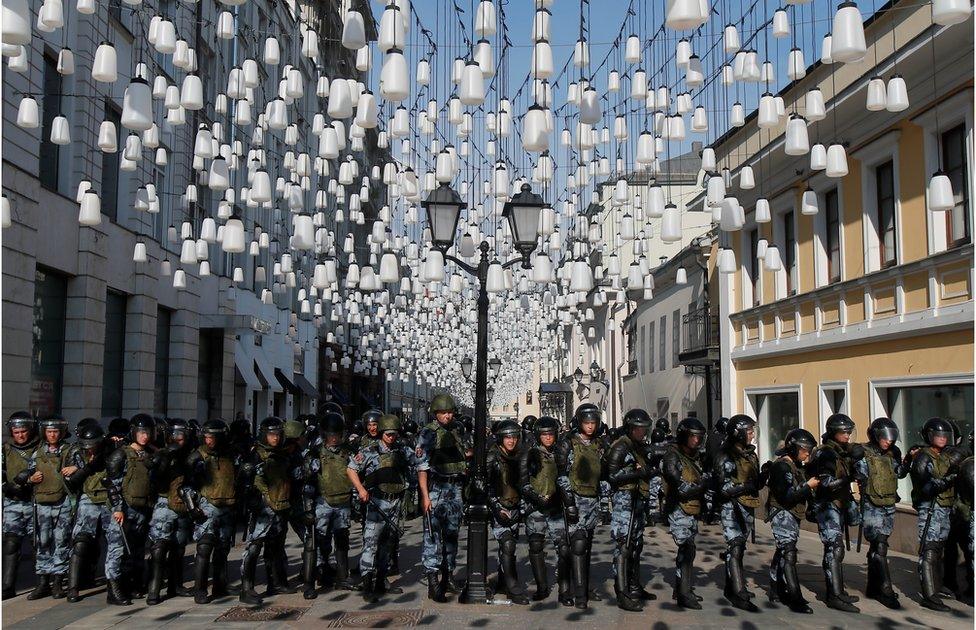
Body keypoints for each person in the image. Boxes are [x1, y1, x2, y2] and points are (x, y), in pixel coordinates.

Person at [347, 414, 422, 603]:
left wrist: (420, 451)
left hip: (396, 502)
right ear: (381, 434)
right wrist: (361, 490)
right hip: (376, 503)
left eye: (395, 434)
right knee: (371, 543)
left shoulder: (402, 450)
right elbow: (351, 469)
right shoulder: (370, 451)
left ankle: (381, 580)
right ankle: (367, 585)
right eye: (388, 434)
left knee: (388, 544)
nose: (392, 438)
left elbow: (418, 461)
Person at [238, 417, 302, 605]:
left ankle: (276, 582)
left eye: (278, 434)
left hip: (281, 507)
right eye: (272, 434)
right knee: (254, 548)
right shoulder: (257, 454)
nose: (275, 438)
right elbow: (250, 480)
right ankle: (247, 588)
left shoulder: (283, 454)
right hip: (262, 509)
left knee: (276, 547)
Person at [853, 417, 914, 609]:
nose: (889, 441)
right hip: (872, 505)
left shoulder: (892, 453)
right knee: (879, 546)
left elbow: (899, 473)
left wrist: (909, 459)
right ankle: (885, 589)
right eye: (885, 437)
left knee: (879, 547)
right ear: (876, 435)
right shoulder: (862, 453)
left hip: (888, 503)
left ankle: (873, 586)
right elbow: (854, 473)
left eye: (891, 438)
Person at [806, 413, 862, 612]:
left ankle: (838, 591)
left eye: (849, 431)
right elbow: (827, 483)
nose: (847, 435)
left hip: (838, 505)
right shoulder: (826, 453)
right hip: (826, 506)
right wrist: (850, 478)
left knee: (836, 550)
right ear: (833, 433)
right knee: (834, 549)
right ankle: (833, 595)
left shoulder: (840, 451)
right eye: (843, 432)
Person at [417, 394, 469, 601]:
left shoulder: (456, 431)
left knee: (452, 535)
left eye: (449, 412)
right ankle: (433, 581)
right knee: (432, 535)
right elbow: (422, 467)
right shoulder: (428, 433)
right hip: (436, 488)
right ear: (435, 413)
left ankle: (448, 577)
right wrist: (425, 496)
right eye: (443, 412)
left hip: (454, 488)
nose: (447, 416)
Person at [182, 419, 239, 604]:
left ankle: (220, 585)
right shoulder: (196, 457)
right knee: (204, 548)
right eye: (206, 437)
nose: (209, 441)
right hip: (207, 507)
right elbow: (185, 486)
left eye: (212, 438)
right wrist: (192, 508)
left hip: (227, 506)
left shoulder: (231, 455)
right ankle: (200, 589)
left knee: (222, 549)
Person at [605, 408, 656, 612]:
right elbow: (612, 476)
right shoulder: (621, 447)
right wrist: (636, 474)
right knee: (623, 548)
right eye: (639, 429)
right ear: (630, 428)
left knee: (636, 545)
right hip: (624, 503)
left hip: (638, 501)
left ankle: (634, 586)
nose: (642, 432)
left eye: (644, 428)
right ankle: (622, 591)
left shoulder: (638, 446)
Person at [555, 403, 605, 610]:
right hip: (575, 500)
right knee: (577, 546)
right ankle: (577, 593)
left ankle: (584, 587)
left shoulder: (599, 444)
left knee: (588, 546)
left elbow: (604, 472)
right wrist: (569, 503)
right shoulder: (568, 443)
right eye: (587, 423)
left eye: (593, 423)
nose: (590, 427)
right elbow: (562, 476)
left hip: (592, 500)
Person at [103, 413, 157, 605]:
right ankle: (114, 590)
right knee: (117, 550)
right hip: (124, 510)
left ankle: (132, 585)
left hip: (143, 509)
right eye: (141, 432)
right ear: (134, 432)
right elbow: (111, 484)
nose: (145, 436)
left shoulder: (150, 454)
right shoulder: (121, 454)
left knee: (136, 550)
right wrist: (117, 508)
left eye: (148, 432)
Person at [303, 411, 358, 598]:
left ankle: (342, 577)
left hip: (343, 502)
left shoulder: (347, 452)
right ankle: (310, 581)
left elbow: (355, 475)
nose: (334, 439)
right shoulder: (316, 453)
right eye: (330, 435)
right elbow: (308, 482)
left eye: (337, 435)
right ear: (324, 434)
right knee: (316, 542)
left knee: (342, 541)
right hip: (322, 503)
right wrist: (309, 509)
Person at [910, 417, 962, 611]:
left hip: (945, 507)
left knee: (938, 548)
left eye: (944, 435)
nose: (942, 438)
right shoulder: (923, 457)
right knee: (929, 550)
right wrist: (951, 477)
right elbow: (927, 487)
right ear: (930, 436)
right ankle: (929, 595)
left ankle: (937, 587)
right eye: (938, 435)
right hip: (930, 507)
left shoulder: (944, 455)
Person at [766, 428, 819, 613]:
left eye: (809, 450)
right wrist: (808, 486)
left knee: (782, 551)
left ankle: (776, 588)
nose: (806, 453)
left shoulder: (796, 465)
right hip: (782, 514)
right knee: (788, 553)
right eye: (804, 449)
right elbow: (788, 495)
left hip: (792, 514)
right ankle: (795, 597)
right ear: (793, 448)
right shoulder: (782, 466)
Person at [714, 414, 762, 613]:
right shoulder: (726, 455)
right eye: (749, 432)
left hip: (747, 504)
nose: (752, 435)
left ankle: (731, 586)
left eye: (752, 431)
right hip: (731, 507)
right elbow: (724, 488)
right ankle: (739, 593)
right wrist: (746, 485)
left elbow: (755, 481)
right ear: (739, 433)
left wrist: (763, 477)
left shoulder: (750, 454)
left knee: (740, 547)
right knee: (735, 546)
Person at [519, 416, 569, 604]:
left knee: (563, 546)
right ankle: (542, 587)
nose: (548, 438)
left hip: (556, 506)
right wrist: (538, 498)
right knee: (536, 545)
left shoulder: (560, 454)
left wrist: (557, 498)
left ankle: (564, 589)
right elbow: (523, 483)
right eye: (544, 435)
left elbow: (565, 478)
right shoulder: (530, 454)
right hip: (536, 507)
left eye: (551, 434)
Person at [145, 418, 195, 604]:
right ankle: (154, 589)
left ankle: (176, 585)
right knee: (159, 547)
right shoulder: (161, 454)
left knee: (179, 548)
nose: (177, 440)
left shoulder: (191, 454)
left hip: (183, 504)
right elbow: (154, 478)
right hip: (163, 504)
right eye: (174, 436)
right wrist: (164, 459)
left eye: (181, 436)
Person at [28, 414, 76, 600]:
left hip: (62, 502)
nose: (52, 435)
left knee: (61, 541)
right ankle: (42, 582)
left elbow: (81, 468)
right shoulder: (38, 452)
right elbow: (28, 473)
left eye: (56, 431)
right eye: (49, 431)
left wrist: (74, 469)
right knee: (43, 541)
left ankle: (58, 581)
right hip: (42, 502)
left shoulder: (69, 451)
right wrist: (31, 479)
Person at [662, 417, 708, 609]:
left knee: (689, 550)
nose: (696, 440)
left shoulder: (695, 456)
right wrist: (703, 485)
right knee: (686, 549)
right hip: (678, 507)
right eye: (693, 437)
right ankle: (683, 593)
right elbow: (680, 488)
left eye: (699, 437)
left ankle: (683, 587)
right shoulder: (673, 456)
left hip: (692, 508)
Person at [487, 420, 527, 604]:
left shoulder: (521, 455)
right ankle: (513, 586)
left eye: (514, 437)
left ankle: (503, 580)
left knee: (509, 548)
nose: (511, 441)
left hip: (515, 506)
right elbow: (485, 485)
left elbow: (525, 483)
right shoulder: (492, 457)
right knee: (507, 544)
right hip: (499, 507)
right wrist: (496, 507)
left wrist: (522, 508)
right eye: (507, 437)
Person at [2, 411, 39, 599]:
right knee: (10, 543)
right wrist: (13, 486)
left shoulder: (40, 448)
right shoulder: (6, 450)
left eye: (24, 431)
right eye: (16, 432)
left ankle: (42, 583)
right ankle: (7, 586)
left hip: (35, 503)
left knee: (37, 544)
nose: (20, 435)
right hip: (13, 503)